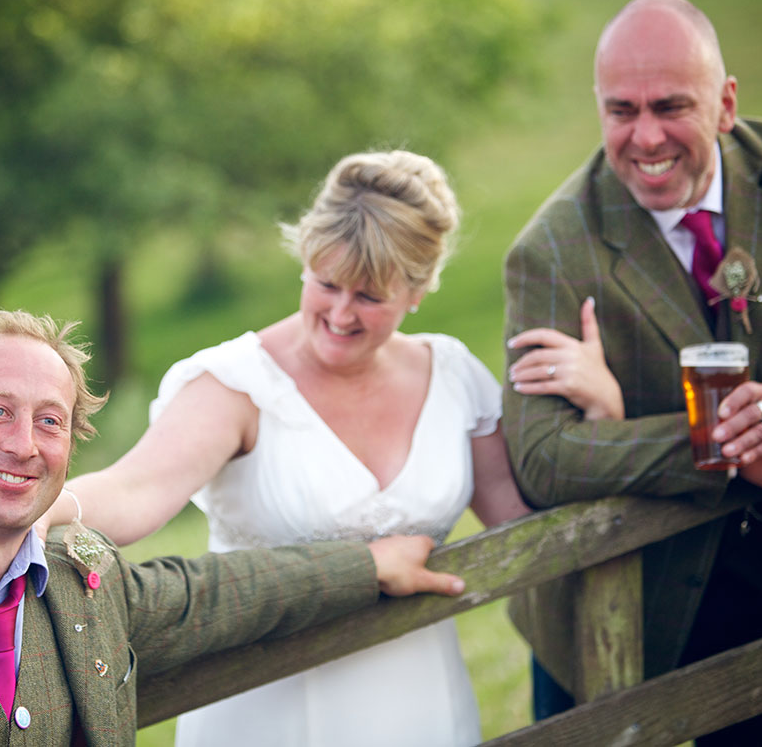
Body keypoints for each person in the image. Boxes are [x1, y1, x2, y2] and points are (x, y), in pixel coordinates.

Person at [0, 302, 466, 746]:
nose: (23, 445)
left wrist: (369, 566)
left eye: (50, 421)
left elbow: (216, 592)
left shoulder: (84, 584)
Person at [35, 149, 553, 746]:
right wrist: (41, 508)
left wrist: (603, 409)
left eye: (369, 296)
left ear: (418, 289)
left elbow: (522, 524)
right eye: (326, 283)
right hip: (268, 710)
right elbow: (137, 489)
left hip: (422, 702)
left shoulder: (453, 375)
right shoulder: (236, 384)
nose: (338, 313)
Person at [502, 0, 762, 745]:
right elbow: (540, 456)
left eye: (670, 106)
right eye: (620, 110)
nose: (645, 135)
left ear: (726, 104)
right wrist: (735, 449)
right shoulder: (552, 249)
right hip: (610, 606)